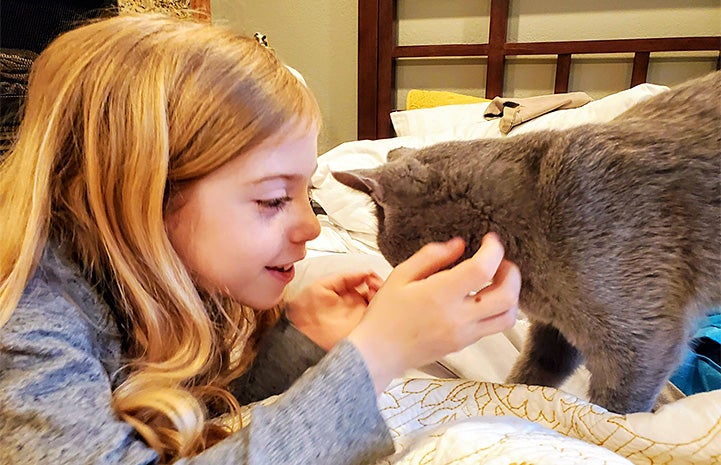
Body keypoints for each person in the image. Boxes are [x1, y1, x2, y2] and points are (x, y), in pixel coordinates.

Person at [0, 13, 521, 465]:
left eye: (306, 191)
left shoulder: (139, 284)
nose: (311, 228)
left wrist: (301, 340)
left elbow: (176, 421)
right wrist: (379, 352)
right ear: (139, 198)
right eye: (273, 200)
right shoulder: (26, 325)